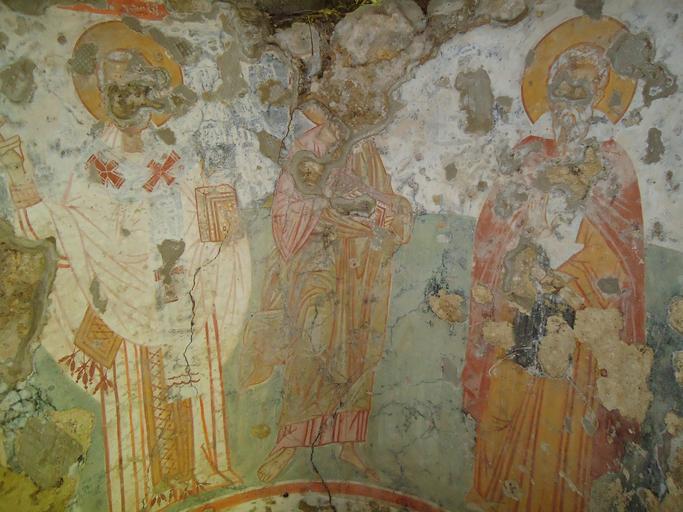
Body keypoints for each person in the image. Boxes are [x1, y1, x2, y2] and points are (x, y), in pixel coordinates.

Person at [0, 21, 249, 511]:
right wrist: (20, 181)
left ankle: (200, 471)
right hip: (124, 297)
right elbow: (65, 224)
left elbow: (209, 217)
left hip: (176, 291)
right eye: (121, 95)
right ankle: (142, 490)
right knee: (135, 388)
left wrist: (216, 209)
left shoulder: (176, 159)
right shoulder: (93, 166)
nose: (133, 104)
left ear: (156, 97)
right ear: (108, 100)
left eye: (141, 92)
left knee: (188, 378)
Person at [462, 18, 645, 512]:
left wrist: (567, 281)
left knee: (561, 431)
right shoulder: (527, 157)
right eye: (564, 85)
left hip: (575, 330)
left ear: (599, 96)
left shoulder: (613, 165)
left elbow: (623, 264)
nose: (571, 98)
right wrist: (521, 268)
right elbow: (492, 239)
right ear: (548, 91)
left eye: (583, 88)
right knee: (502, 414)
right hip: (518, 314)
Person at [240, 99, 413, 482]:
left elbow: (387, 206)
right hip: (315, 265)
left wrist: (391, 218)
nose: (344, 126)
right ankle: (289, 442)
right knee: (310, 346)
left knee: (358, 351)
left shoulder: (366, 153)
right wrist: (351, 220)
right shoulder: (308, 149)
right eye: (338, 119)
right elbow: (295, 209)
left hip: (360, 273)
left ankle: (348, 444)